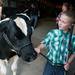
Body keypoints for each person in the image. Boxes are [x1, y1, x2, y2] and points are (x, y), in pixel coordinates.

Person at [35, 10, 75, 75]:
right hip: (50, 64)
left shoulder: (72, 38)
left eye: (63, 22)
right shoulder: (52, 33)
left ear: (70, 25)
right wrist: (38, 48)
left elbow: (74, 52)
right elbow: (45, 43)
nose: (60, 23)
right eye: (60, 20)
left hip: (62, 67)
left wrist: (68, 63)